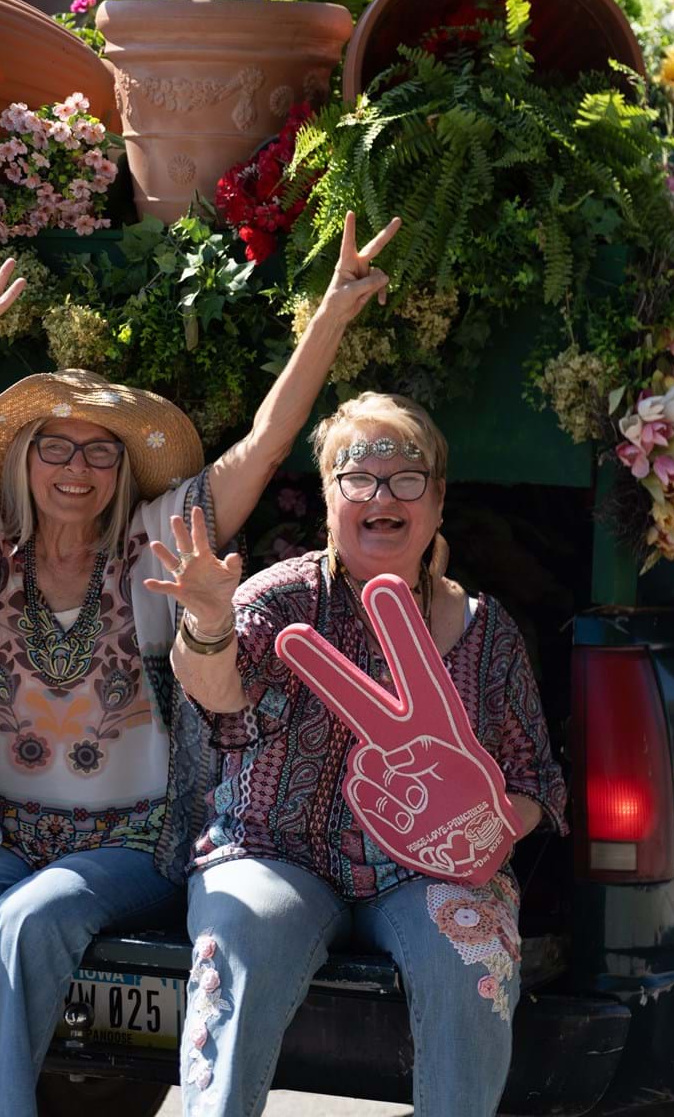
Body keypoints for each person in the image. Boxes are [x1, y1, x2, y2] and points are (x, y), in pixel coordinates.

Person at [0, 212, 403, 1117]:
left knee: (31, 919)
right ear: (24, 464)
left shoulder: (161, 541)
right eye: (57, 449)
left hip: (131, 844)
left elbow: (264, 448)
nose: (77, 469)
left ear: (124, 474)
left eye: (100, 454)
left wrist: (328, 321)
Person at [154, 391, 569, 1116]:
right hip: (276, 852)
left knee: (472, 955)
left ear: (437, 503)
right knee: (239, 940)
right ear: (328, 499)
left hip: (432, 869)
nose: (383, 495)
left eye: (407, 478)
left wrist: (490, 821)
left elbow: (537, 779)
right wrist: (208, 621)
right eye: (358, 478)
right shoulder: (283, 600)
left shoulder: (486, 630)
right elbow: (216, 693)